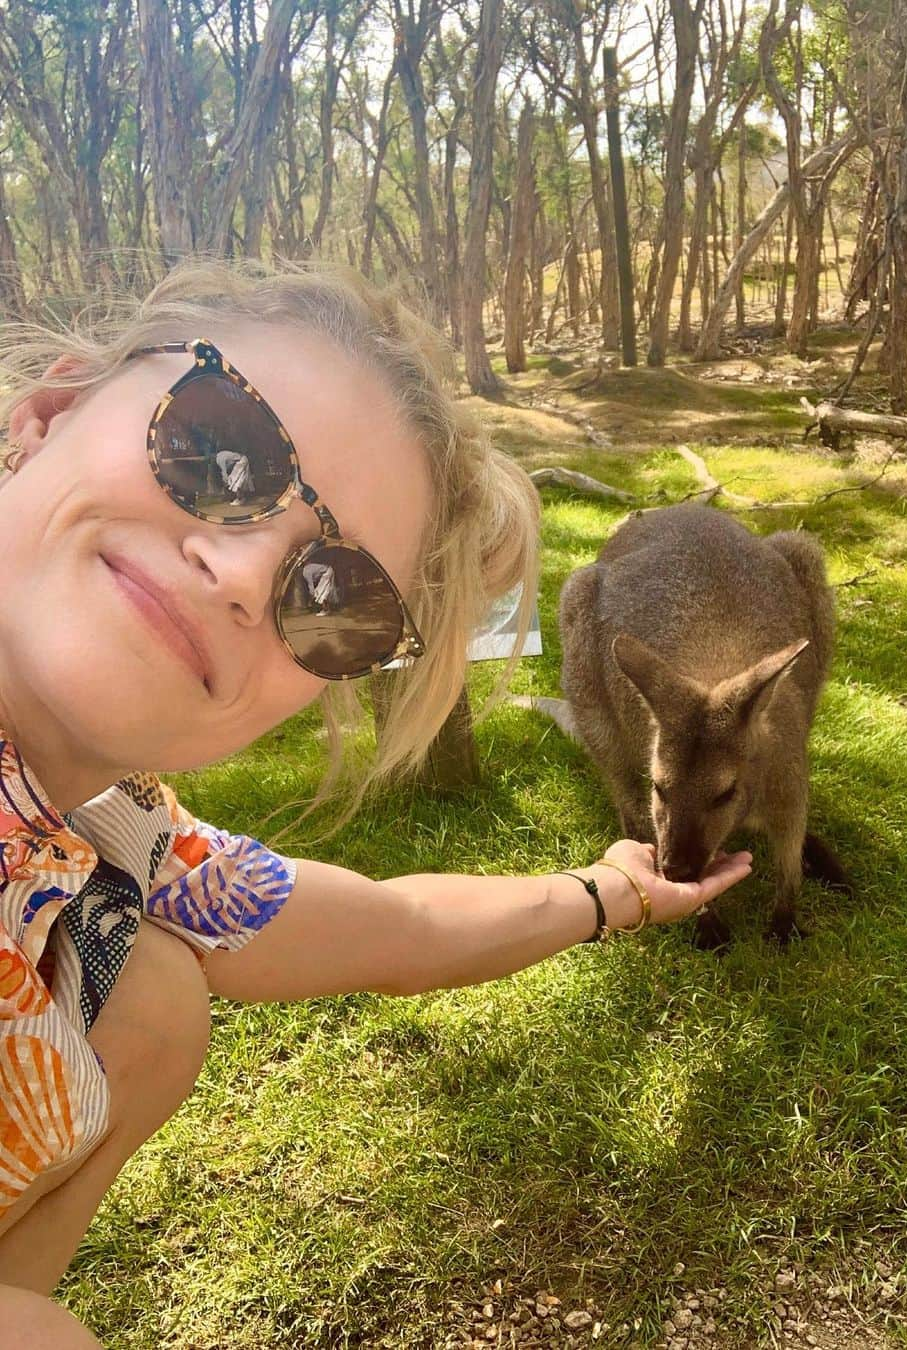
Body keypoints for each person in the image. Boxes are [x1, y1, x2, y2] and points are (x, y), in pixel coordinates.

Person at [0, 259, 753, 1347]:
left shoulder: (111, 828)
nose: (249, 576)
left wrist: (605, 892)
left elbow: (389, 928)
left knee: (153, 999)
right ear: (49, 411)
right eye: (219, 448)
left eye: (335, 596)